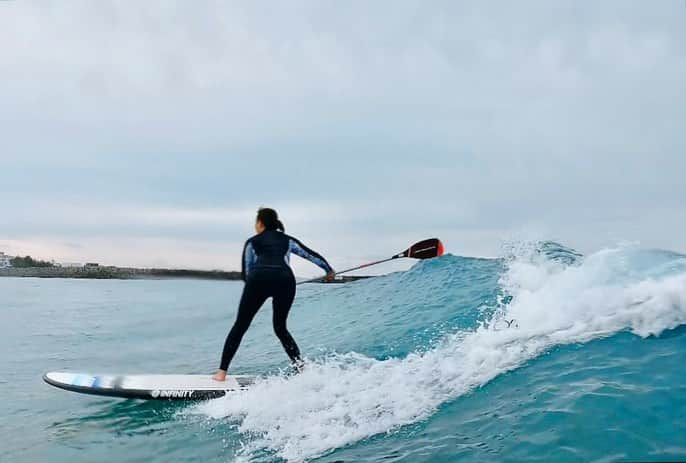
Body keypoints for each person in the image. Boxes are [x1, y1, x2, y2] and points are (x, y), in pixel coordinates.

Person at [213, 207, 335, 381]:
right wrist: (328, 270)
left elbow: (247, 272)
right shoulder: (287, 240)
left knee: (240, 325)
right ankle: (300, 367)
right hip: (284, 280)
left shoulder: (253, 242)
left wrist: (257, 288)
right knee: (280, 327)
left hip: (258, 280)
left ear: (260, 223)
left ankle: (221, 373)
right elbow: (309, 255)